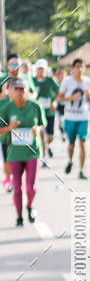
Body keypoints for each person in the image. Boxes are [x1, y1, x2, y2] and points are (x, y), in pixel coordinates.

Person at [0, 78, 45, 226]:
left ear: (27, 91)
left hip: (33, 151)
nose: (19, 92)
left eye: (22, 89)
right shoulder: (6, 108)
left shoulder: (35, 106)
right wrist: (9, 128)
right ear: (11, 92)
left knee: (31, 187)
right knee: (17, 188)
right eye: (16, 89)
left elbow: (42, 124)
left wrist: (37, 129)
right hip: (15, 153)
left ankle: (30, 207)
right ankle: (19, 216)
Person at [57, 58, 90, 179]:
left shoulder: (88, 81)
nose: (79, 69)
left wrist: (88, 94)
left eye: (82, 66)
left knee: (83, 142)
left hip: (83, 116)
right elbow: (59, 98)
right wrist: (71, 98)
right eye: (77, 66)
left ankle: (82, 170)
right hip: (70, 117)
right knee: (71, 144)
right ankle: (70, 161)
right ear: (73, 68)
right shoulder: (67, 81)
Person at [33, 60, 60, 162]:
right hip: (37, 112)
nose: (41, 71)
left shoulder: (50, 80)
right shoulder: (33, 80)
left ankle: (48, 146)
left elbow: (59, 92)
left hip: (49, 112)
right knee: (41, 134)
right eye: (39, 69)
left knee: (50, 137)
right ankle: (43, 157)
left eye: (42, 69)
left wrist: (55, 102)